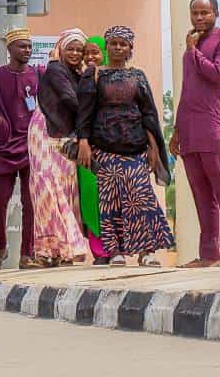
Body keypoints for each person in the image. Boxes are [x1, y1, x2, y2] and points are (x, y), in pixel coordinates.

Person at [76, 26, 174, 266]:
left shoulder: (137, 76)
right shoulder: (94, 74)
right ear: (106, 47)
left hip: (136, 148)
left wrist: (153, 148)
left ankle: (147, 252)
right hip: (105, 148)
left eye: (124, 44)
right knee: (109, 201)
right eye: (114, 43)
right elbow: (85, 113)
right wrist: (84, 142)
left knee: (141, 198)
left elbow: (148, 113)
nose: (118, 47)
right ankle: (115, 251)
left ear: (131, 49)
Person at [170, 0, 220, 267]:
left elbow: (215, 73)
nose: (199, 18)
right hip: (190, 128)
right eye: (195, 13)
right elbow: (187, 90)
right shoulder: (192, 44)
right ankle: (208, 254)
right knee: (201, 194)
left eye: (205, 13)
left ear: (216, 14)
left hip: (214, 126)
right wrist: (177, 130)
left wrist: (193, 51)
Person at [29, 29, 90, 266]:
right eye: (70, 48)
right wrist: (92, 118)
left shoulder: (76, 73)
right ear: (61, 49)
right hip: (45, 133)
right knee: (48, 187)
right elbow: (70, 100)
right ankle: (52, 249)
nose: (74, 53)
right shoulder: (55, 70)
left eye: (79, 50)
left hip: (64, 133)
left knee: (65, 187)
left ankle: (60, 250)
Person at [0, 27, 39, 269]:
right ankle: (0, 246)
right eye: (22, 46)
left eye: (29, 46)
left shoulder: (37, 74)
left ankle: (27, 253)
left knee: (31, 201)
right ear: (9, 49)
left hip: (31, 144)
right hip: (5, 145)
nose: (27, 50)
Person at [78, 36, 108, 264]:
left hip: (110, 145)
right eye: (86, 52)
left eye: (95, 52)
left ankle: (113, 248)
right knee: (89, 197)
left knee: (110, 198)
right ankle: (98, 251)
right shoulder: (78, 78)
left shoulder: (114, 78)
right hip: (86, 146)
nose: (90, 57)